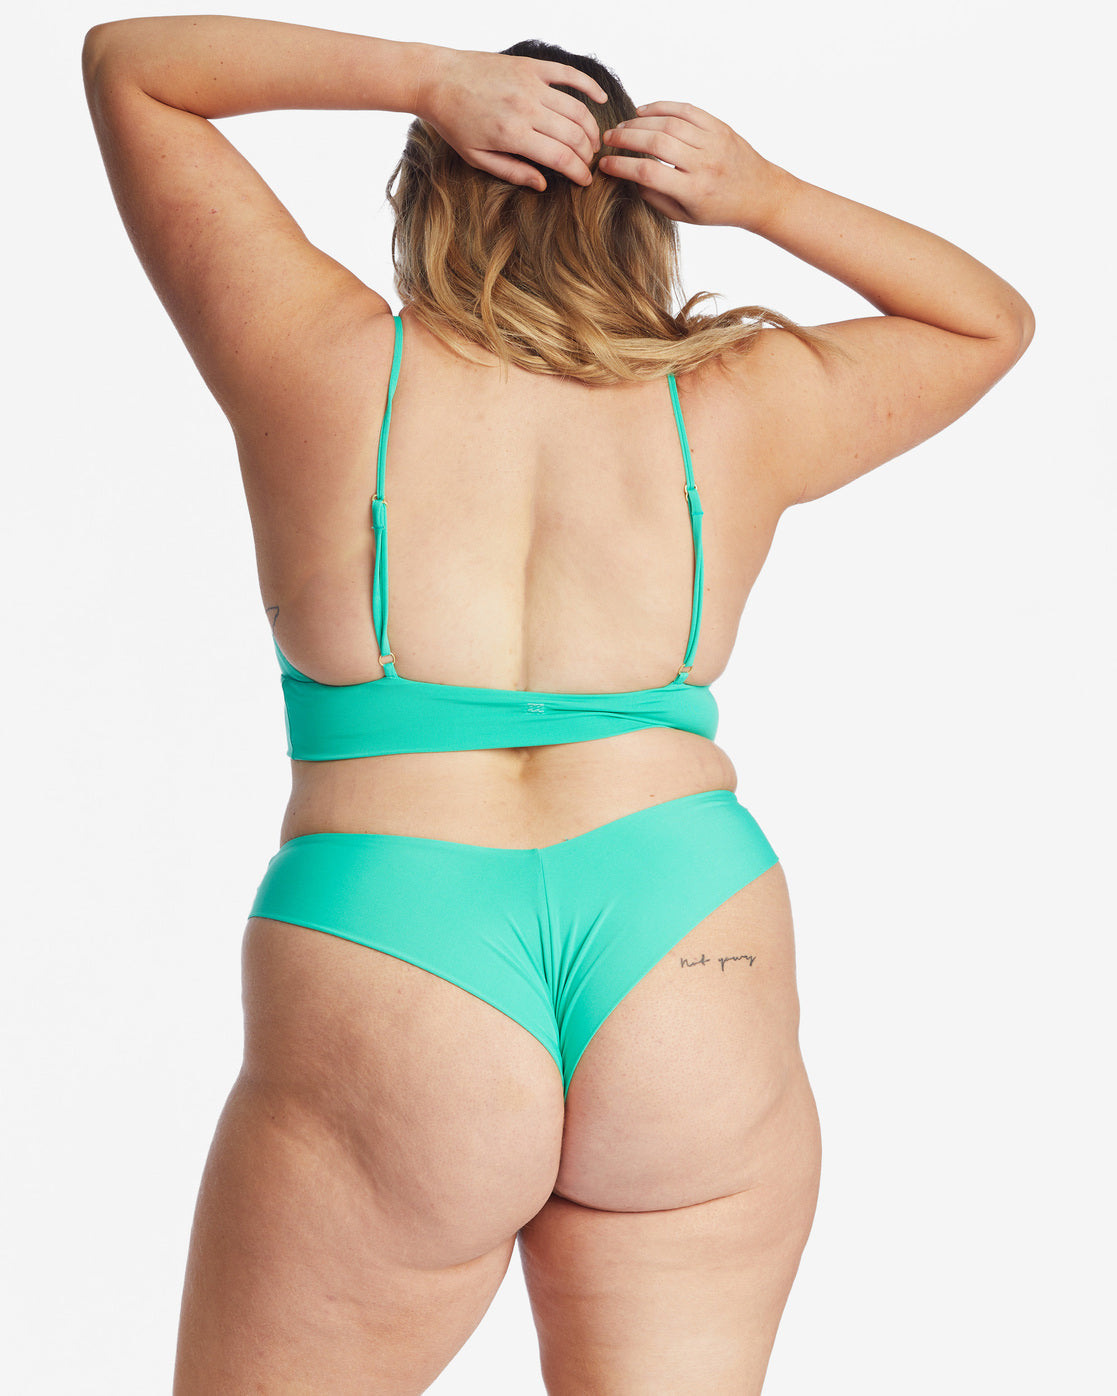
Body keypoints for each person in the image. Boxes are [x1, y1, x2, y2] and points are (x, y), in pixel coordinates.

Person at [82, 15, 1034, 1395]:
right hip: (685, 938)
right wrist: (762, 193)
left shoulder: (320, 361)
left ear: (423, 198)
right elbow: (988, 319)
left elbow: (133, 67)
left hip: (398, 934)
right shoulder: (735, 404)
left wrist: (427, 81)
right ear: (651, 220)